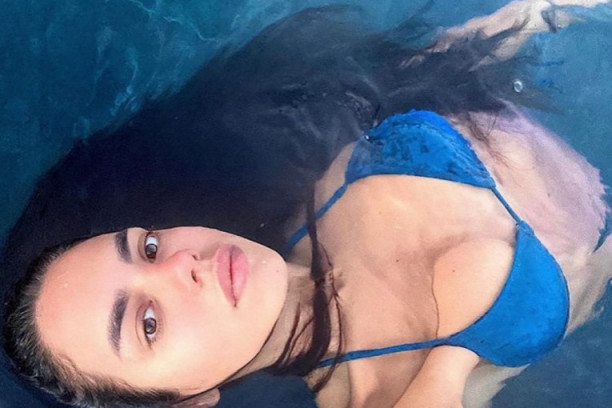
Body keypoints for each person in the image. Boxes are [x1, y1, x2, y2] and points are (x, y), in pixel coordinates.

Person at [2, 1, 611, 408]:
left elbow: (433, 70)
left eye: (149, 247)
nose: (180, 265)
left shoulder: (297, 197)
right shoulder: (390, 394)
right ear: (188, 402)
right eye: (148, 323)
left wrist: (540, 13)